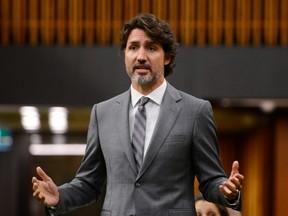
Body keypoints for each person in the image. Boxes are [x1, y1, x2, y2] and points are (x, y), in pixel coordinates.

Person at [32, 13, 244, 216]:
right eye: (133, 47)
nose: (141, 56)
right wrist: (59, 196)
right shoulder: (102, 113)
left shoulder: (195, 111)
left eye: (151, 48)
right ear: (125, 55)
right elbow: (89, 183)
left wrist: (228, 191)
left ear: (167, 57)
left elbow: (210, 181)